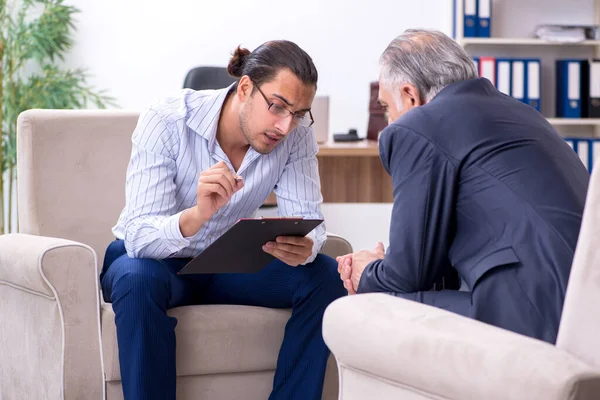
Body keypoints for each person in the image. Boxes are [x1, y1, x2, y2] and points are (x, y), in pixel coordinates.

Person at [100, 40, 345, 400]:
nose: (284, 125)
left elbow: (310, 220)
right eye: (277, 107)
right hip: (155, 262)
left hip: (228, 262)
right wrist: (197, 216)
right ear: (245, 87)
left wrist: (305, 248)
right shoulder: (167, 120)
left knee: (326, 276)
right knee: (137, 280)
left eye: (298, 114)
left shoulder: (296, 136)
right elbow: (138, 236)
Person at [338, 29, 589, 344]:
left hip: (529, 314)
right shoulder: (524, 114)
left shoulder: (416, 126)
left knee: (363, 305)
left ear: (410, 95)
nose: (389, 122)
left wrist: (367, 270)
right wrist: (386, 267)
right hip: (583, 309)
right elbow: (430, 265)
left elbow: (407, 275)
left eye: (387, 108)